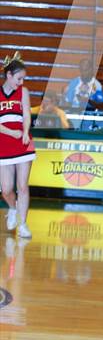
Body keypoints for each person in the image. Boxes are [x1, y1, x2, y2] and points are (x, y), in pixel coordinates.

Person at [0, 52, 36, 238]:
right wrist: (10, 132)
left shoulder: (24, 92)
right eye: (19, 78)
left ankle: (23, 225)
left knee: (22, 186)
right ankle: (12, 208)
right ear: (9, 75)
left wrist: (24, 131)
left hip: (23, 141)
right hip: (3, 143)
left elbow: (27, 115)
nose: (21, 82)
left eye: (23, 79)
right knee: (6, 189)